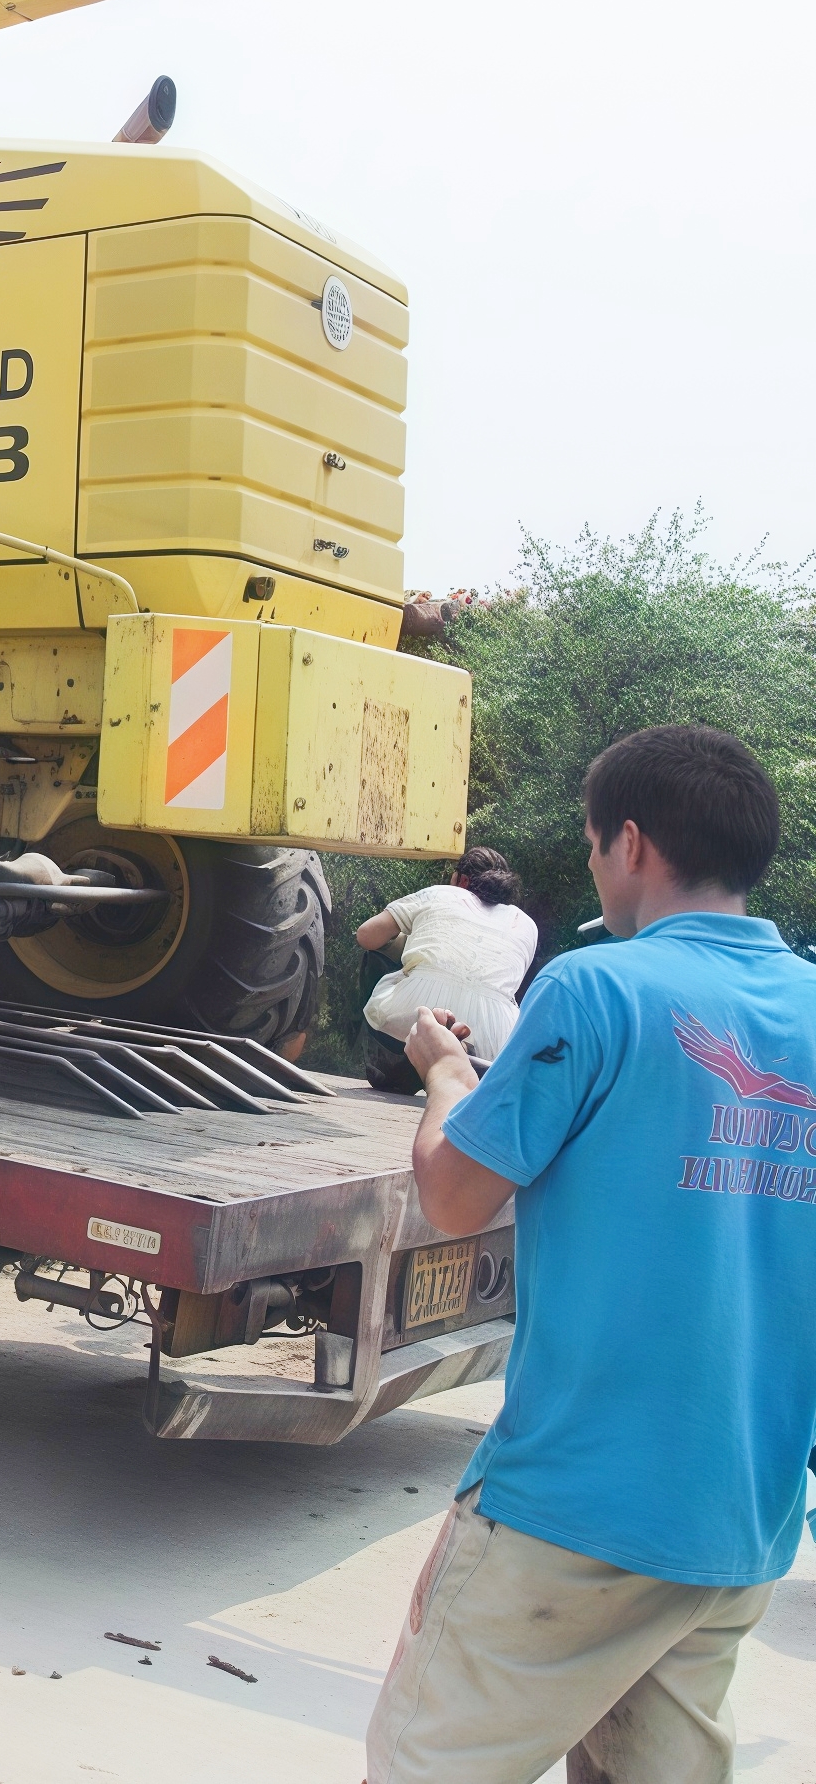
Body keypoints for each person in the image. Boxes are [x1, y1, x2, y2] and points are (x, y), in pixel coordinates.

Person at [371, 725, 816, 1783]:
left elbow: (454, 1190)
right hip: (736, 1523)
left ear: (630, 844)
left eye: (589, 842)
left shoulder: (596, 991)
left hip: (571, 1512)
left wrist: (441, 1074)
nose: (589, 864)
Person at [357, 847, 536, 1092]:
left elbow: (366, 935)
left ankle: (393, 1067)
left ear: (461, 879)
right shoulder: (525, 924)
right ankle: (461, 1056)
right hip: (492, 1049)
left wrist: (406, 948)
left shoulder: (439, 894)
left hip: (408, 1025)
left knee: (377, 953)